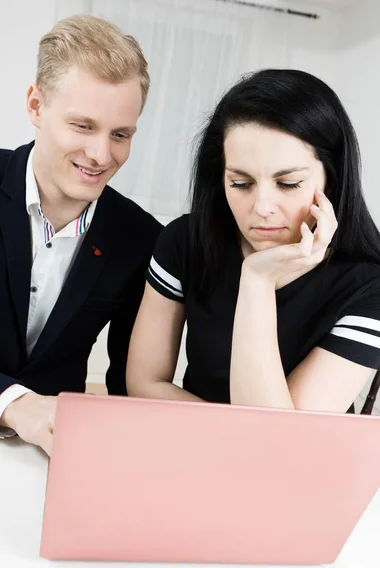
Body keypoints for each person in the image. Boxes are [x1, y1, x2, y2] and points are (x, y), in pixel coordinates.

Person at [127, 69, 380, 413]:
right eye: (241, 183)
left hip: (301, 463)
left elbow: (276, 436)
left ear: (331, 180)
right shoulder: (184, 242)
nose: (261, 209)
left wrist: (258, 280)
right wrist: (225, 438)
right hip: (193, 445)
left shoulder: (370, 287)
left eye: (288, 183)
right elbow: (145, 383)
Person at [0, 14, 162, 455]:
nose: (101, 155)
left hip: (51, 460)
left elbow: (126, 385)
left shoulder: (142, 238)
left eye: (121, 134)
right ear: (36, 106)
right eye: (83, 126)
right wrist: (14, 406)